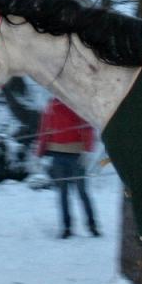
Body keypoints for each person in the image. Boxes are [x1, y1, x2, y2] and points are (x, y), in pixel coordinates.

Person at [35, 97, 100, 238]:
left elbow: (87, 126)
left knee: (80, 192)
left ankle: (91, 226)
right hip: (58, 155)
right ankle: (68, 228)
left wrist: (88, 150)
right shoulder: (52, 104)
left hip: (76, 155)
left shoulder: (76, 101)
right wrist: (39, 153)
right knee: (64, 193)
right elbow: (45, 129)